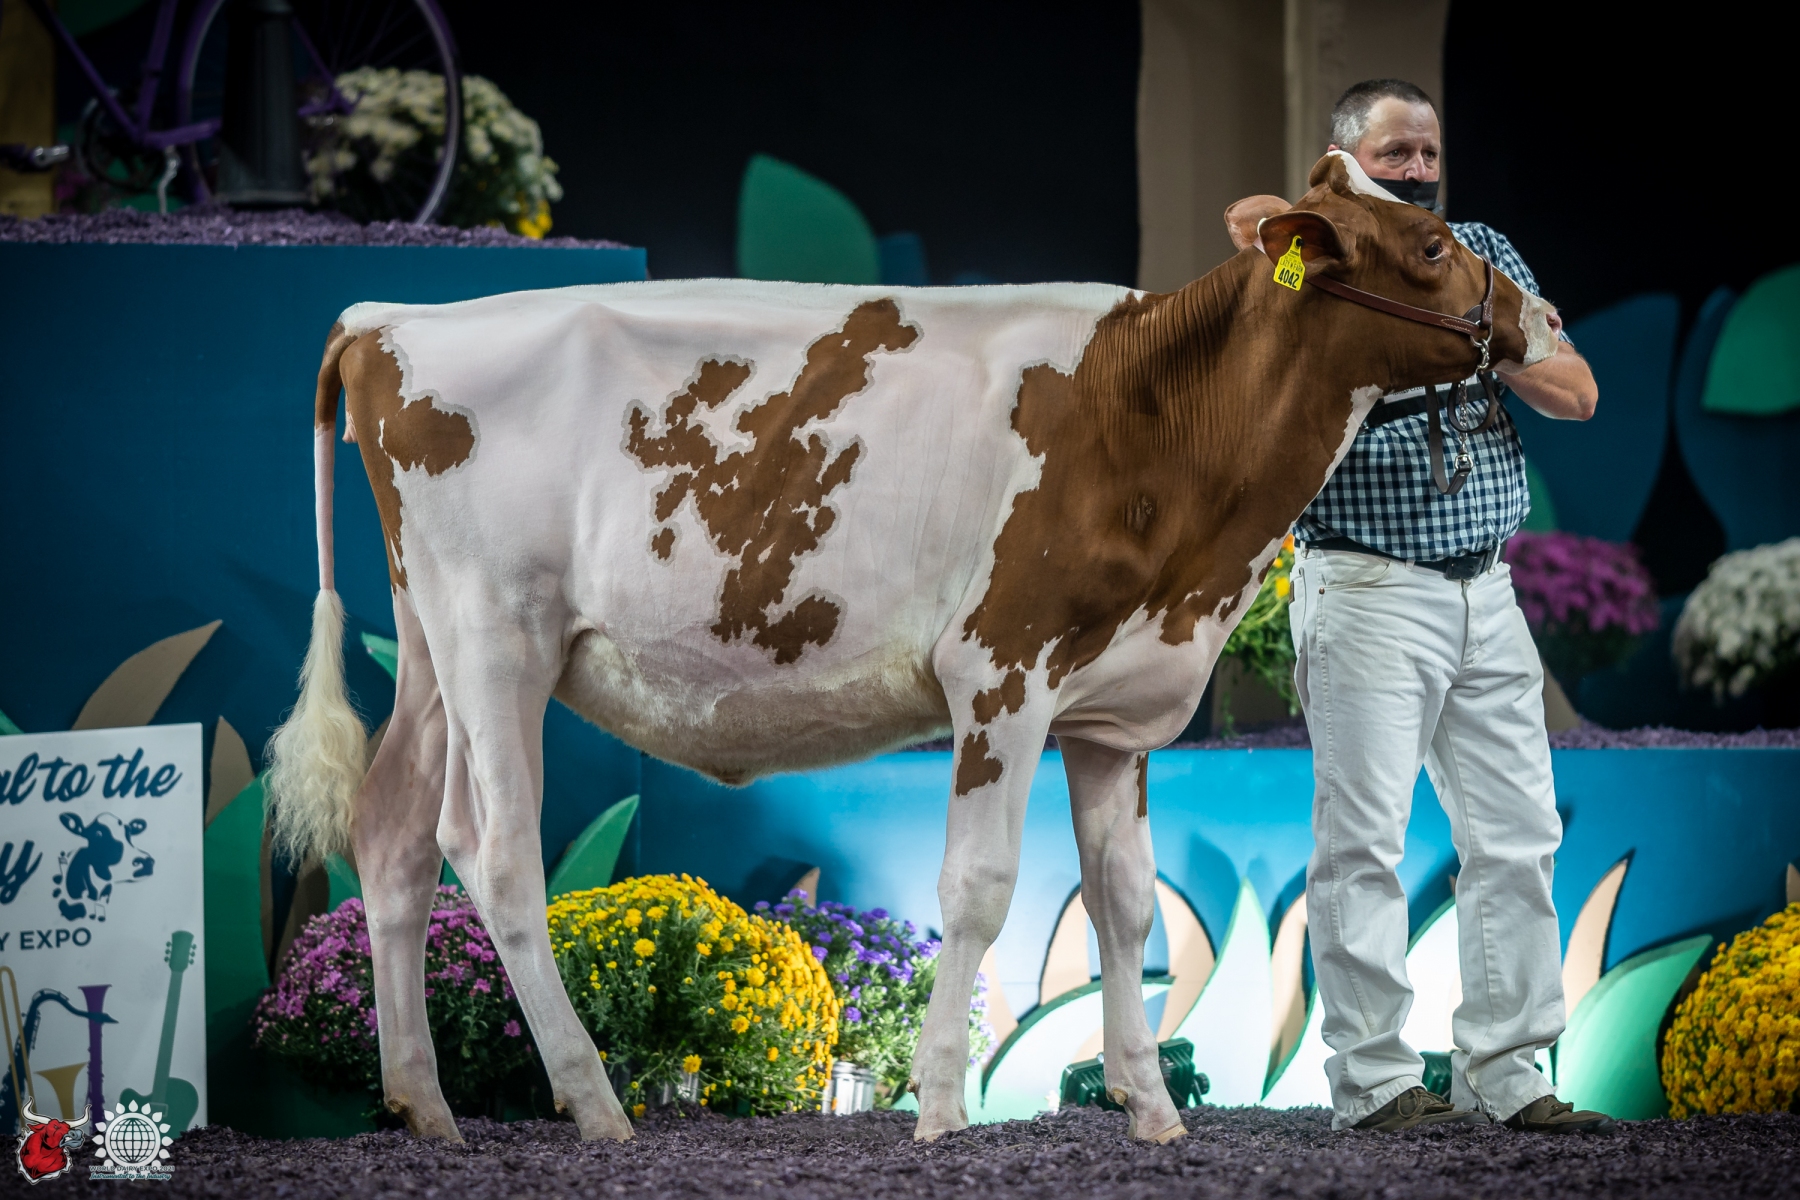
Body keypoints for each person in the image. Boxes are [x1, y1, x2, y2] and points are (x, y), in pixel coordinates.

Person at [1286, 79, 1612, 1134]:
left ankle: (1508, 1074)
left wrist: (1479, 327)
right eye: (1396, 151)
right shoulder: (1308, 262)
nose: (1418, 168)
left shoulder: (1483, 254)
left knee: (1519, 835)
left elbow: (1576, 391)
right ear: (1346, 159)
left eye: (1428, 151)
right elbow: (1273, 381)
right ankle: (1375, 1082)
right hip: (1368, 585)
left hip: (1486, 588)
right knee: (1363, 844)